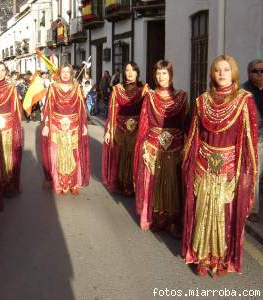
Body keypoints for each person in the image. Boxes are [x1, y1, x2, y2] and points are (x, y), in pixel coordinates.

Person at [182, 55, 258, 277]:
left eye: (226, 69)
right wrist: (190, 163)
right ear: (212, 74)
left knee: (224, 213)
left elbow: (248, 142)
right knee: (202, 211)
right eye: (217, 70)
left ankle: (221, 259)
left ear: (233, 72)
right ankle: (202, 258)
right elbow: (194, 136)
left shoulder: (245, 101)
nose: (222, 74)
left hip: (229, 169)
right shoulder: (202, 101)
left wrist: (245, 175)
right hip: (203, 164)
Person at [133, 60, 188, 238]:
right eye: (158, 73)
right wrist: (142, 145)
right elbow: (144, 123)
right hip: (153, 145)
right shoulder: (149, 96)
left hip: (175, 147)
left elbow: (185, 125)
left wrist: (186, 147)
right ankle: (157, 218)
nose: (160, 76)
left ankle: (173, 221)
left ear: (171, 75)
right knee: (154, 182)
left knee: (173, 183)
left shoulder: (182, 97)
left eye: (164, 73)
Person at [41, 63, 90, 195]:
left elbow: (82, 108)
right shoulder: (53, 88)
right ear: (59, 73)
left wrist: (84, 125)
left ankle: (73, 183)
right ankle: (58, 183)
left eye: (68, 72)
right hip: (56, 125)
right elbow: (48, 108)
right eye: (63, 71)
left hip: (74, 126)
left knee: (74, 154)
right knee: (57, 154)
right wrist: (46, 124)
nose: (65, 74)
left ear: (72, 74)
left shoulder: (77, 88)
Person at [102, 62, 148, 196]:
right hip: (120, 127)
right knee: (120, 155)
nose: (130, 73)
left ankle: (134, 185)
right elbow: (112, 110)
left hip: (137, 129)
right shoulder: (117, 89)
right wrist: (110, 130)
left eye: (133, 70)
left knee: (134, 155)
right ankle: (121, 184)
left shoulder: (144, 90)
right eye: (127, 70)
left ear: (137, 72)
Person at [0, 61, 23, 197]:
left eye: (2, 70)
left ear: (6, 72)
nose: (0, 72)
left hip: (8, 128)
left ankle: (7, 183)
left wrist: (16, 129)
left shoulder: (11, 89)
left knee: (7, 155)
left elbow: (16, 110)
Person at [242, 59, 263, 222]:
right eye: (255, 71)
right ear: (249, 73)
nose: (259, 74)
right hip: (256, 139)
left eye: (262, 71)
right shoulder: (244, 93)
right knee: (255, 174)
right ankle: (252, 209)